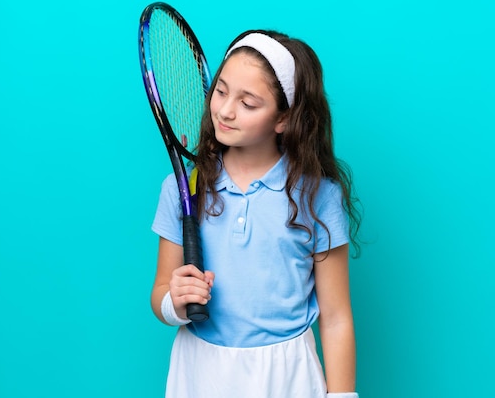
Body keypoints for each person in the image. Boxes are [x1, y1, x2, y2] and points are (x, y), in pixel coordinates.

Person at [151, 29, 361, 398]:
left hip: (287, 375)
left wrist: (342, 396)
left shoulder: (318, 196)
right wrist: (175, 302)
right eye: (220, 91)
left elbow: (337, 316)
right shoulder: (182, 187)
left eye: (248, 103)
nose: (226, 110)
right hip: (200, 373)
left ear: (283, 119)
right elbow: (161, 294)